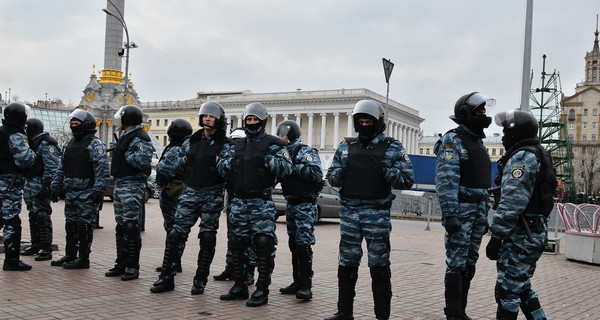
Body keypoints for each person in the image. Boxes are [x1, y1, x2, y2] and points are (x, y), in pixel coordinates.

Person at [325, 99, 414, 320]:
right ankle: (344, 312)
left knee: (379, 265)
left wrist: (385, 170)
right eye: (361, 121)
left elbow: (407, 179)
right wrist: (343, 170)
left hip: (377, 214)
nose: (364, 125)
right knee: (347, 262)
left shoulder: (392, 147)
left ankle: (382, 316)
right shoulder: (346, 147)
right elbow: (333, 177)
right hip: (349, 213)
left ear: (378, 122)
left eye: (368, 121)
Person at [150, 102, 231, 294]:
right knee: (175, 234)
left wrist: (219, 163)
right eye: (205, 116)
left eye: (211, 116)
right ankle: (166, 278)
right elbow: (178, 167)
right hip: (191, 192)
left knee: (207, 237)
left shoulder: (226, 144)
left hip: (212, 194)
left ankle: (200, 279)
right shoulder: (192, 141)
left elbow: (229, 170)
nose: (207, 119)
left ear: (219, 120)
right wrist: (185, 161)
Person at [217, 102, 293, 307]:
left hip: (261, 202)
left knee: (263, 245)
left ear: (263, 121)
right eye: (248, 120)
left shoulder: (274, 144)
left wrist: (264, 160)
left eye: (255, 120)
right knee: (237, 244)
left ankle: (262, 289)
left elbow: (286, 168)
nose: (251, 123)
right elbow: (222, 166)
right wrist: (229, 163)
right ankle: (240, 285)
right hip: (239, 202)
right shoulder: (237, 144)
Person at [486, 110, 555, 320]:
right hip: (532, 230)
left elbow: (513, 202)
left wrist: (496, 237)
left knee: (507, 291)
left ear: (518, 132)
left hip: (521, 234)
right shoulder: (536, 152)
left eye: (507, 131)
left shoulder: (523, 157)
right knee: (522, 287)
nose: (504, 136)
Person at [434, 92, 495, 320]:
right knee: (457, 263)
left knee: (470, 262)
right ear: (466, 114)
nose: (483, 115)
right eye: (479, 112)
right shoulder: (453, 140)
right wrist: (450, 214)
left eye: (484, 111)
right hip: (461, 209)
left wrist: (485, 213)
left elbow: (483, 183)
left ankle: (461, 311)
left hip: (478, 210)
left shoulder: (477, 142)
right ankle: (453, 313)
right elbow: (447, 180)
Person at [50, 109, 109, 269]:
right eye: (72, 124)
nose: (73, 126)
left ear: (86, 125)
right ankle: (70, 255)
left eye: (76, 124)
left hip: (87, 192)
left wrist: (98, 191)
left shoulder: (95, 144)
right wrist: (55, 186)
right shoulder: (68, 144)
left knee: (84, 225)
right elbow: (61, 168)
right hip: (71, 192)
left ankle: (83, 259)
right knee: (70, 224)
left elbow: (102, 170)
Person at [276, 120, 323, 301]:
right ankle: (297, 281)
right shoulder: (281, 152)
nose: (282, 136)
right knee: (293, 244)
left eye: (284, 133)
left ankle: (306, 285)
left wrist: (292, 166)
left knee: (303, 244)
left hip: (305, 204)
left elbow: (316, 173)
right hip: (291, 203)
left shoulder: (305, 151)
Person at [105, 105, 153, 281]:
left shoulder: (140, 137)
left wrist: (126, 155)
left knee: (131, 225)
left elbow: (143, 160)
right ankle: (121, 263)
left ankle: (133, 266)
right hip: (121, 183)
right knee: (121, 225)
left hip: (132, 184)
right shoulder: (126, 135)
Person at [213, 127, 257, 285]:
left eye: (238, 141)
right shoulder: (230, 154)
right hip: (233, 199)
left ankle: (250, 271)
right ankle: (231, 267)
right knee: (233, 237)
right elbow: (222, 170)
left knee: (250, 239)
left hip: (250, 202)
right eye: (233, 140)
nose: (235, 143)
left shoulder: (251, 156)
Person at [153, 118, 192, 275]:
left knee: (174, 229)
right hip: (174, 190)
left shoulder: (176, 150)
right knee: (172, 228)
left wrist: (160, 165)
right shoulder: (181, 148)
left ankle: (172, 263)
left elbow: (166, 170)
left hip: (174, 191)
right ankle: (173, 261)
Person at [0, 102, 37, 271]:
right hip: (10, 184)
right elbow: (25, 160)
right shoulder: (15, 135)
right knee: (11, 221)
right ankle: (12, 260)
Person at [21, 118, 60, 262]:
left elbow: (52, 166)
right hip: (31, 183)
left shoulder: (46, 143)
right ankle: (35, 244)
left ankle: (45, 247)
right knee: (33, 214)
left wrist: (47, 186)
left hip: (40, 183)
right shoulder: (32, 143)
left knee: (42, 215)